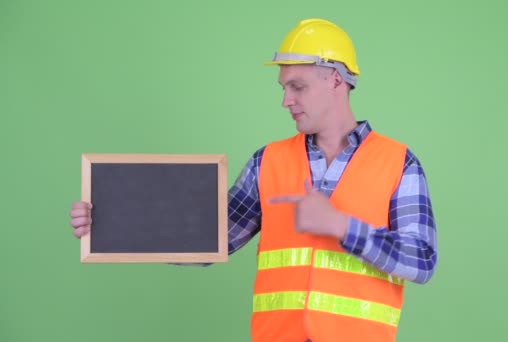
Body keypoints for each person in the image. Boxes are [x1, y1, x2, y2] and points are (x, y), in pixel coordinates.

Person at [69, 18, 437, 342]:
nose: (285, 100)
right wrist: (112, 221)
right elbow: (209, 238)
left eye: (297, 86)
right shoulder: (268, 162)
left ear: (336, 80)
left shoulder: (398, 162)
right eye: (283, 88)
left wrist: (341, 225)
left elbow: (422, 260)